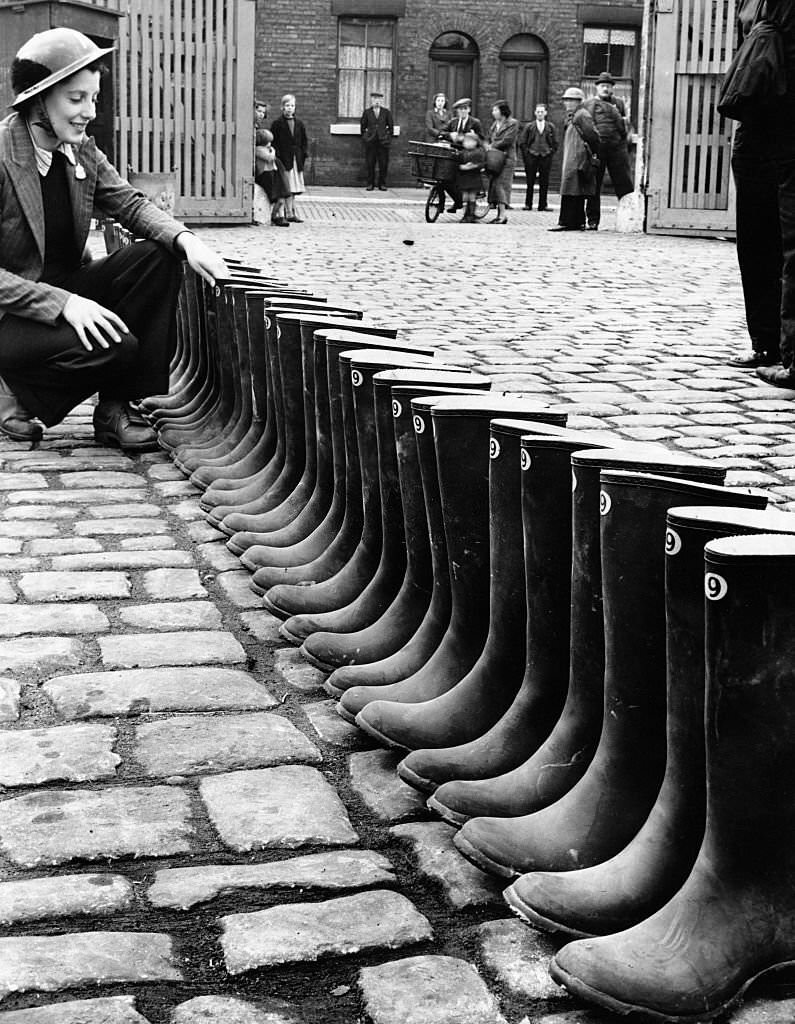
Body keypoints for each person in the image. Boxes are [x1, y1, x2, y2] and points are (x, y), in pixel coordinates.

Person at [0, 27, 227, 449]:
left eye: (94, 99)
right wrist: (64, 304)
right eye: (76, 99)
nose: (89, 111)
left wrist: (187, 241)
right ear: (38, 97)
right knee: (118, 347)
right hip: (11, 316)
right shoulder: (1, 153)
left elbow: (131, 203)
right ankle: (10, 387)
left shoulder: (81, 149)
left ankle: (113, 411)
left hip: (65, 290)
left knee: (158, 256)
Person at [728, 0, 795, 385]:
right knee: (755, 240)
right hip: (756, 126)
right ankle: (765, 341)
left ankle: (787, 350)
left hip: (787, 119)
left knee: (790, 240)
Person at [583, 71, 634, 230]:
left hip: (616, 149)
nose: (605, 89)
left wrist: (625, 141)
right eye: (602, 86)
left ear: (612, 88)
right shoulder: (589, 104)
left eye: (608, 86)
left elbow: (624, 125)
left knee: (623, 183)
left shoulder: (619, 103)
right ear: (597, 88)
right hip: (598, 149)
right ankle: (593, 220)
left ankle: (629, 218)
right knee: (594, 185)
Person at [549, 87, 601, 231]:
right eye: (566, 100)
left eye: (571, 100)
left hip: (578, 158)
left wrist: (589, 153)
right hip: (573, 157)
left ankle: (569, 222)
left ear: (579, 102)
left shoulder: (581, 115)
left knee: (573, 188)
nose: (567, 103)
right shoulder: (574, 115)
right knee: (572, 188)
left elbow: (593, 136)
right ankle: (576, 221)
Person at [441, 98, 484, 212]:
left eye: (465, 109)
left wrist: (470, 137)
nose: (462, 111)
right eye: (460, 109)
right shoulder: (453, 122)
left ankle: (468, 210)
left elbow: (481, 140)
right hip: (455, 155)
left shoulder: (475, 122)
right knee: (446, 180)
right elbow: (442, 132)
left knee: (465, 184)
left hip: (468, 156)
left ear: (469, 110)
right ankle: (458, 201)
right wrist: (450, 135)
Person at [271, 94, 307, 223]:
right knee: (286, 187)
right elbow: (274, 142)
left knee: (293, 188)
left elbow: (303, 142)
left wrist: (302, 155)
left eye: (292, 106)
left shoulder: (299, 124)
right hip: (284, 160)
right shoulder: (277, 124)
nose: (289, 108)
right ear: (282, 107)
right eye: (287, 105)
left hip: (296, 160)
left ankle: (291, 212)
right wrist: (278, 157)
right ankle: (286, 213)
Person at [518, 103, 557, 211]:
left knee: (544, 181)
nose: (540, 114)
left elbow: (555, 142)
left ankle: (543, 205)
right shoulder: (529, 126)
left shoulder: (550, 127)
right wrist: (528, 154)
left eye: (542, 112)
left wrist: (550, 152)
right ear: (535, 113)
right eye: (538, 112)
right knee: (530, 181)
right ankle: (528, 204)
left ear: (545, 113)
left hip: (545, 156)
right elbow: (522, 142)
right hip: (532, 156)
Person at [485, 100, 519, 224]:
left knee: (502, 185)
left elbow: (508, 140)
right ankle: (499, 214)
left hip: (507, 159)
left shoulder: (512, 123)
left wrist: (492, 146)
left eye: (495, 110)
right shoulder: (494, 124)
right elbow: (489, 137)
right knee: (495, 185)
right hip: (495, 159)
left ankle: (503, 215)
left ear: (502, 111)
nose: (493, 112)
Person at [254, 129, 290, 227]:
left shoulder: (266, 149)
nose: (270, 143)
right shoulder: (258, 150)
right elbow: (269, 157)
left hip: (273, 173)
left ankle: (278, 216)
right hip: (266, 174)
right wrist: (272, 150)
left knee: (280, 197)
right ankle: (273, 216)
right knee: (274, 196)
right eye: (268, 141)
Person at [360, 91, 393, 191]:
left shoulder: (386, 112)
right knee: (370, 163)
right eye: (374, 99)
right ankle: (370, 183)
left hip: (383, 143)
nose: (377, 102)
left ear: (381, 100)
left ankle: (382, 184)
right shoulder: (367, 112)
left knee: (383, 164)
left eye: (378, 99)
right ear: (371, 100)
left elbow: (391, 128)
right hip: (371, 142)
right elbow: (362, 128)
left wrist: (387, 138)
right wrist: (366, 138)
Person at [456, 131, 486, 223]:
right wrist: (461, 167)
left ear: (476, 142)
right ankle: (465, 215)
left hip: (474, 177)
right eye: (466, 141)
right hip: (464, 177)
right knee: (465, 196)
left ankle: (471, 215)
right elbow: (457, 164)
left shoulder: (479, 152)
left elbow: (482, 164)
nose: (467, 143)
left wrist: (474, 166)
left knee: (472, 196)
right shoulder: (461, 153)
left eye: (470, 141)